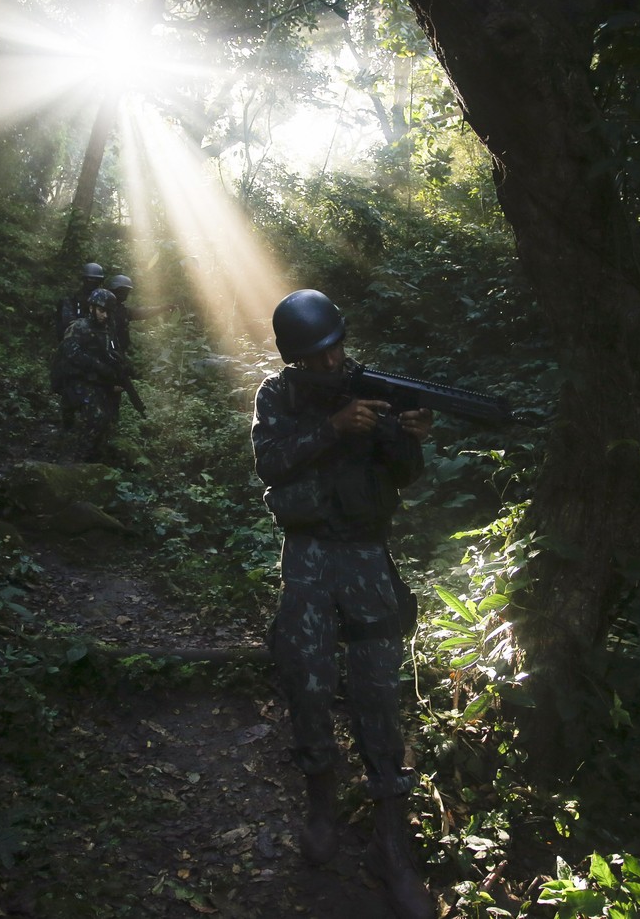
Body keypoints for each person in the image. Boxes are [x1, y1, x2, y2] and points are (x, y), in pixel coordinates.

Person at [251, 289, 435, 919]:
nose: (331, 365)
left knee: (379, 693)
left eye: (335, 351)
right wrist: (331, 427)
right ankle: (322, 801)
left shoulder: (377, 388)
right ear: (294, 359)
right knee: (306, 680)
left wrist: (408, 436)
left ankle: (392, 842)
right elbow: (270, 464)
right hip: (306, 558)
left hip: (366, 556)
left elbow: (405, 474)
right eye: (315, 358)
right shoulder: (278, 397)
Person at [50, 287, 126, 462]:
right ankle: (79, 458)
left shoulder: (107, 331)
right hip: (74, 379)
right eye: (101, 310)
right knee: (97, 416)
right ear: (91, 308)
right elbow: (71, 354)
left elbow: (114, 354)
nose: (104, 315)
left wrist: (118, 371)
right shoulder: (78, 327)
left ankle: (96, 453)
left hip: (95, 380)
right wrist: (99, 367)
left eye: (108, 312)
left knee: (109, 417)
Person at [105, 273, 179, 357]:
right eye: (121, 291)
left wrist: (162, 308)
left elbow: (143, 312)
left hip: (119, 351)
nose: (123, 294)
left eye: (125, 292)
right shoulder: (102, 309)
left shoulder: (123, 311)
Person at [56, 262, 108, 340]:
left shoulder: (104, 300)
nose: (92, 283)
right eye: (90, 279)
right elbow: (68, 324)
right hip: (76, 342)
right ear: (84, 280)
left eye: (96, 280)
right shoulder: (72, 299)